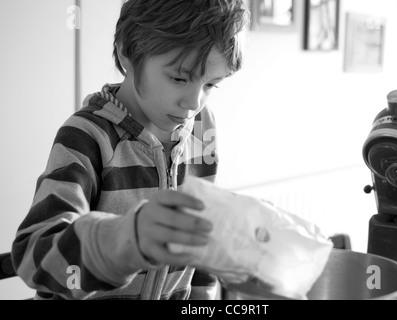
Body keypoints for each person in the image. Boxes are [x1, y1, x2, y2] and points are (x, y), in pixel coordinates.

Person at [11, 0, 249, 300]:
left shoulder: (202, 127)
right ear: (128, 51)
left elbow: (201, 235)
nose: (193, 102)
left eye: (212, 84)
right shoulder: (88, 136)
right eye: (178, 78)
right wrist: (128, 240)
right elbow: (33, 258)